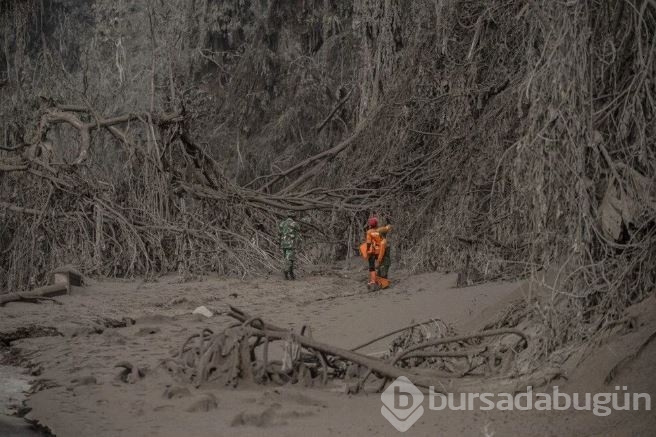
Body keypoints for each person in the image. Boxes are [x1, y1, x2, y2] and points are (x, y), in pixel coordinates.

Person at [359, 216, 392, 290]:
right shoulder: (381, 230)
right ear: (377, 224)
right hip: (381, 251)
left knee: (372, 267)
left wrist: (367, 250)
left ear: (370, 225)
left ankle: (373, 281)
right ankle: (381, 281)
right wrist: (388, 226)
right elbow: (388, 228)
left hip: (373, 251)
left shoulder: (369, 232)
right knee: (381, 265)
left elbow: (368, 242)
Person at [278, 211, 302, 280]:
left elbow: (279, 235)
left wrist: (279, 243)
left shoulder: (282, 223)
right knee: (290, 259)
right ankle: (286, 273)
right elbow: (299, 235)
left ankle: (291, 274)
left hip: (283, 244)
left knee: (286, 259)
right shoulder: (294, 224)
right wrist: (300, 244)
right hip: (291, 244)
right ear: (293, 216)